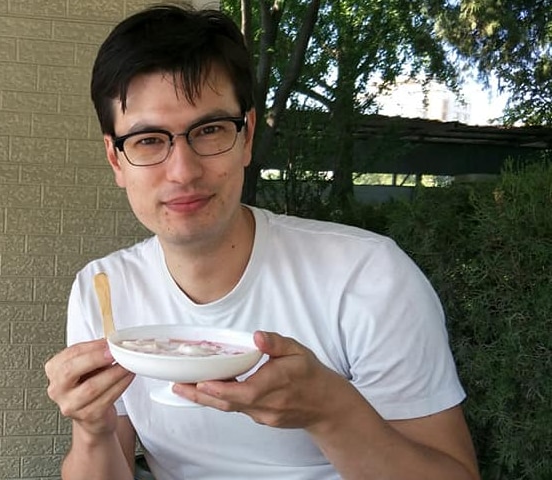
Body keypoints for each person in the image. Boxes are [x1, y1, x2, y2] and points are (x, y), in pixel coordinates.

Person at [44, 4, 480, 480]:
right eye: (149, 140)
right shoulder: (103, 289)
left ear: (247, 136)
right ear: (116, 159)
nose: (184, 171)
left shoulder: (367, 275)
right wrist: (93, 430)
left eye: (209, 131)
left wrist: (331, 411)